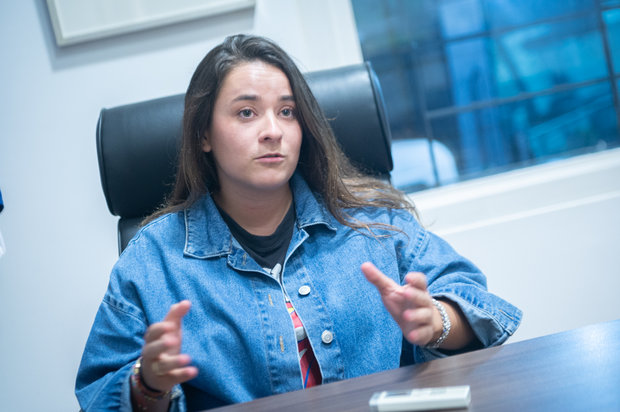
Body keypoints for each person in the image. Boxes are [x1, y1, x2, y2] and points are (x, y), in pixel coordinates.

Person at [76, 34, 521, 411]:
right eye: (247, 112)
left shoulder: (372, 221)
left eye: (287, 112)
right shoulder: (153, 261)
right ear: (204, 134)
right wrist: (148, 384)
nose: (273, 130)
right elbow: (99, 393)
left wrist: (438, 321)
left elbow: (480, 304)